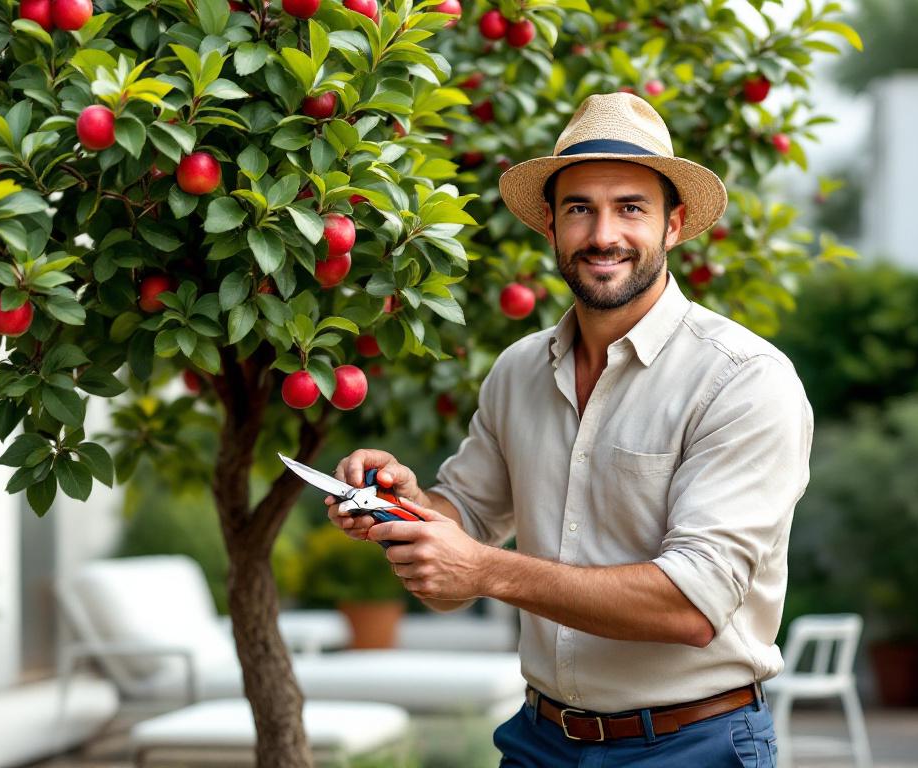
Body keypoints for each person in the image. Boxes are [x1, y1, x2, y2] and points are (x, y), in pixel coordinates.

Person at [324, 92, 813, 766]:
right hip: (539, 740)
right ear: (550, 225)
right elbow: (465, 525)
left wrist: (486, 569)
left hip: (692, 746)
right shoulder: (519, 371)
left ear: (674, 225)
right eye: (580, 208)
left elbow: (691, 606)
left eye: (630, 208)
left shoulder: (743, 380)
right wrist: (403, 504)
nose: (603, 234)